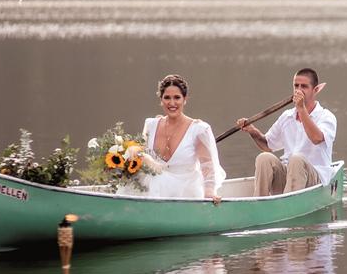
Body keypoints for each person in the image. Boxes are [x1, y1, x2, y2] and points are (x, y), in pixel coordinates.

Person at [236, 68, 336, 197]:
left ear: (315, 90)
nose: (298, 90)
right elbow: (267, 145)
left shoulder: (326, 116)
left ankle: (289, 204)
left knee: (297, 159)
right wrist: (252, 131)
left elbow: (316, 138)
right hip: (290, 175)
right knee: (264, 158)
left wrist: (301, 109)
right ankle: (259, 202)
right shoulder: (287, 116)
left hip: (315, 178)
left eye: (304, 86)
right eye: (296, 86)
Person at [142, 74, 226, 203]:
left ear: (185, 99)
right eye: (167, 98)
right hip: (153, 188)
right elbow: (140, 157)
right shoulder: (150, 125)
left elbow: (207, 165)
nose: (172, 103)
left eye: (177, 98)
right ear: (161, 100)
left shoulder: (199, 129)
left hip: (185, 191)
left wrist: (209, 191)